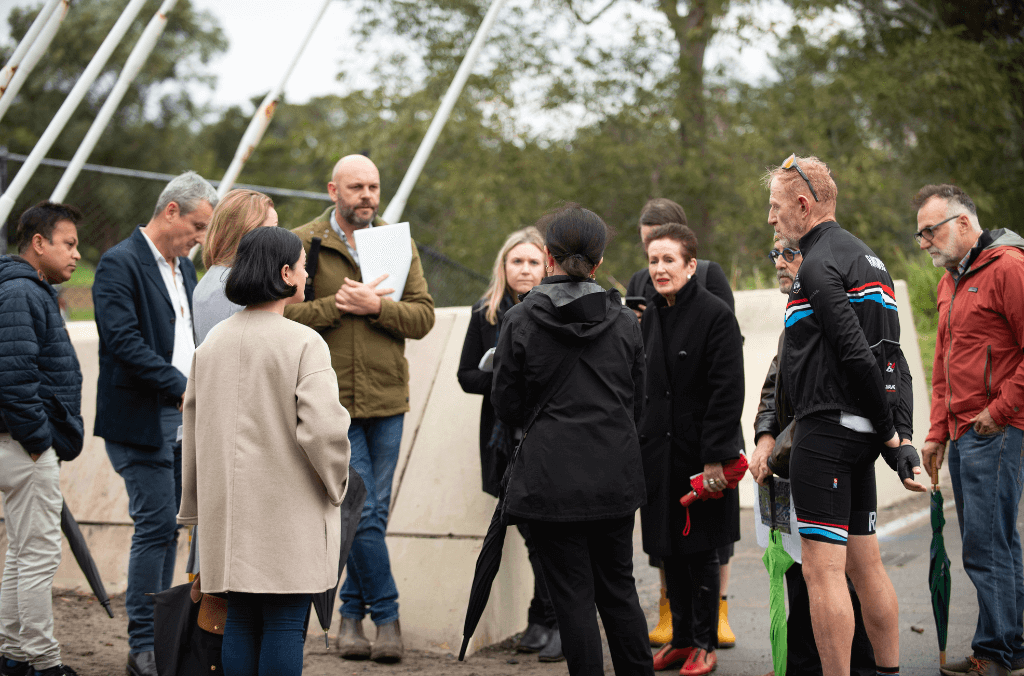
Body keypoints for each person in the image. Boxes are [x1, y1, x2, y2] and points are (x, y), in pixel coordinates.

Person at [767, 154, 924, 676]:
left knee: (823, 573)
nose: (771, 219)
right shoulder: (868, 258)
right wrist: (897, 435)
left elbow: (858, 353)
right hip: (859, 435)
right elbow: (892, 357)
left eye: (775, 207)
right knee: (865, 563)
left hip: (828, 432)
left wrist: (892, 435)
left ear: (802, 204)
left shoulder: (816, 263)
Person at [178, 227, 351, 676]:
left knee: (238, 622)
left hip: (227, 516)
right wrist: (337, 484)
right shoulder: (303, 342)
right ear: (285, 272)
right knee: (285, 624)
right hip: (287, 513)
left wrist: (194, 507)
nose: (308, 274)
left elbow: (192, 430)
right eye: (304, 265)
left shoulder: (211, 343)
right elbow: (323, 431)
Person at [284, 154, 435, 662]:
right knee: (363, 510)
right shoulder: (303, 242)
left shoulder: (394, 241)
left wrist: (378, 308)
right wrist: (336, 307)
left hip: (388, 399)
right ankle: (387, 618)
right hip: (332, 402)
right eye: (356, 187)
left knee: (370, 515)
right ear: (333, 190)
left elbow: (423, 316)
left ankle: (350, 616)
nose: (367, 196)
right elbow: (282, 313)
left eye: (373, 186)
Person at [491, 204, 653, 676]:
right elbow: (637, 402)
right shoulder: (624, 322)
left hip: (550, 479)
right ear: (599, 263)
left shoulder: (520, 322)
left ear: (546, 257)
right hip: (614, 476)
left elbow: (507, 404)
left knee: (573, 599)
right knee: (619, 590)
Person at [92, 171, 218, 676]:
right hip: (141, 420)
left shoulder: (183, 268)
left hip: (184, 419)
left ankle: (163, 639)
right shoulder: (118, 263)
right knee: (156, 527)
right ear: (170, 211)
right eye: (197, 225)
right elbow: (122, 342)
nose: (200, 237)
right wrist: (179, 384)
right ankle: (142, 646)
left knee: (174, 530)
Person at [749, 233, 877, 676]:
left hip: (830, 453)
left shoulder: (832, 306)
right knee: (801, 578)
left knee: (839, 577)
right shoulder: (793, 315)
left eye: (790, 252)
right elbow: (774, 384)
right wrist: (765, 436)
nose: (780, 262)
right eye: (775, 253)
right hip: (792, 462)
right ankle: (802, 666)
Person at [914, 184, 1024, 676]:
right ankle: (1013, 647)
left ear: (962, 223)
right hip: (962, 432)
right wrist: (937, 431)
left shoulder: (1008, 268)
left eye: (929, 231)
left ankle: (997, 654)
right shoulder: (950, 281)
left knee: (985, 545)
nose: (924, 243)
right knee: (994, 541)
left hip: (994, 430)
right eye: (919, 234)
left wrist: (998, 412)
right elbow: (943, 365)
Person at [625, 198, 740, 650]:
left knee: (701, 552)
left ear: (691, 265)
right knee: (667, 549)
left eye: (668, 260)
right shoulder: (648, 315)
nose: (659, 268)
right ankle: (680, 643)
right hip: (657, 455)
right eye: (653, 261)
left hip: (701, 456)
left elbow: (726, 392)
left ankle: (704, 644)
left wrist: (716, 457)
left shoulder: (715, 315)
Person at [456, 226, 563, 661]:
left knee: (547, 533)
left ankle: (553, 619)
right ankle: (542, 616)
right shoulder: (486, 313)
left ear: (546, 266)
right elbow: (467, 376)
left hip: (549, 438)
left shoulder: (559, 312)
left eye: (533, 262)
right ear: (503, 266)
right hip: (504, 440)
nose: (524, 269)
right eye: (516, 262)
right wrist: (505, 376)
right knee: (528, 532)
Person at [0, 202, 84, 676]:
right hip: (23, 446)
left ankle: (14, 657)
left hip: (19, 444)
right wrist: (38, 440)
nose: (75, 255)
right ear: (38, 244)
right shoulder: (21, 292)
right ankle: (45, 664)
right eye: (68, 244)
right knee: (37, 557)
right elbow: (14, 375)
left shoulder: (25, 290)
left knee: (22, 553)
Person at [192, 188, 279, 345]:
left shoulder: (215, 278)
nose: (278, 237)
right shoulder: (235, 288)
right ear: (248, 231)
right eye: (271, 229)